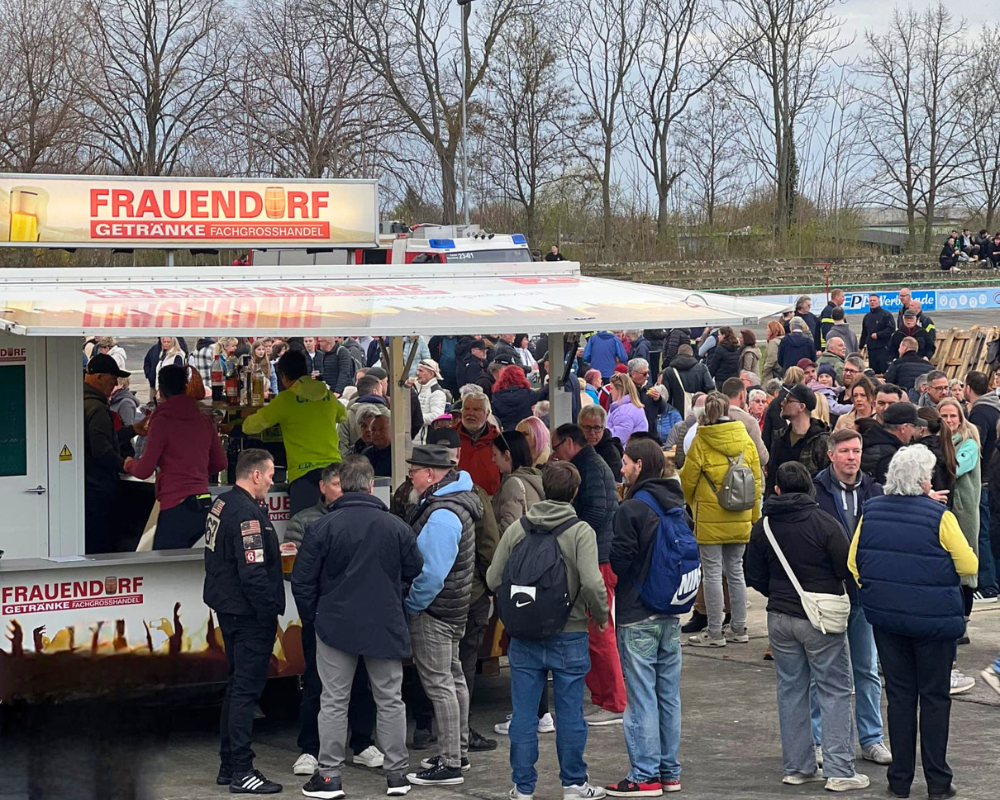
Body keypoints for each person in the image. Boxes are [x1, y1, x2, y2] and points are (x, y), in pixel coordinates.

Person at [849, 445, 978, 800]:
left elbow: (854, 563)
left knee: (900, 697)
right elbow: (969, 566)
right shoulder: (940, 516)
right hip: (934, 622)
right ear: (924, 480)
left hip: (888, 621)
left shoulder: (871, 511)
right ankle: (938, 781)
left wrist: (882, 589)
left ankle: (900, 779)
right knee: (934, 699)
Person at [291, 456, 423, 799]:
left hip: (335, 626)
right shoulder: (395, 526)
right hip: (385, 623)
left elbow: (302, 582)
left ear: (342, 485)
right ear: (369, 486)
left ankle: (330, 777)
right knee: (390, 700)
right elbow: (415, 567)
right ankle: (397, 775)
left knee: (333, 700)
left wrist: (314, 618)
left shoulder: (322, 527)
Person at [486, 461, 610, 800]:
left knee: (524, 716)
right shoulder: (580, 530)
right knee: (570, 713)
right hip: (569, 633)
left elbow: (493, 578)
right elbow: (592, 583)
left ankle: (523, 788)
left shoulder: (519, 529)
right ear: (574, 492)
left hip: (524, 634)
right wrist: (599, 616)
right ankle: (573, 784)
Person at [745, 462, 869, 792]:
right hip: (820, 618)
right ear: (810, 489)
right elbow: (847, 568)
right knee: (835, 689)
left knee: (791, 689)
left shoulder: (764, 526)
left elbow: (752, 574)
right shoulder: (824, 523)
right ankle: (840, 769)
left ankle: (797, 767)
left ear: (777, 491)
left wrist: (777, 592)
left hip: (780, 617)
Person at [606, 439, 687, 796]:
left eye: (625, 462)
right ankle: (669, 771)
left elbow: (620, 561)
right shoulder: (678, 504)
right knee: (668, 694)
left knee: (640, 697)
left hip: (637, 612)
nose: (621, 468)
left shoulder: (632, 508)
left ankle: (644, 775)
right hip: (670, 610)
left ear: (639, 466)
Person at [203, 449, 285, 794]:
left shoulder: (221, 504)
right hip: (249, 616)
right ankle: (242, 770)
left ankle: (228, 766)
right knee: (246, 693)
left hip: (229, 610)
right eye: (268, 475)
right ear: (254, 475)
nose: (271, 481)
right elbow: (252, 572)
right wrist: (268, 612)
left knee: (237, 688)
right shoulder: (247, 513)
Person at [811, 430, 890, 767]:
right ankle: (818, 741)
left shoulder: (874, 490)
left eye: (856, 450)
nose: (852, 457)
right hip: (828, 593)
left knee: (867, 669)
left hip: (863, 594)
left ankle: (871, 738)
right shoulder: (815, 491)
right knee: (822, 673)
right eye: (845, 451)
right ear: (831, 454)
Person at [404, 445, 481, 786]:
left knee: (440, 686)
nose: (410, 476)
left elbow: (432, 573)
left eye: (414, 471)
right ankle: (458, 752)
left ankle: (450, 762)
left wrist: (412, 605)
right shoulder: (455, 504)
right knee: (454, 679)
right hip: (453, 607)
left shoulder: (442, 513)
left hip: (435, 610)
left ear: (431, 475)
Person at [550, 424, 626, 726]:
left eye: (556, 447)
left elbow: (597, 514)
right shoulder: (591, 465)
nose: (554, 454)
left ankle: (615, 702)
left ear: (569, 443)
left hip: (599, 560)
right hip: (596, 557)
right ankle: (606, 699)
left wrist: (570, 537)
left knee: (600, 631)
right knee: (596, 631)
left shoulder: (591, 468)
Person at [680, 391, 761, 647]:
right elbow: (757, 481)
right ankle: (738, 627)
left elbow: (687, 481)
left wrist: (693, 505)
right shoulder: (746, 440)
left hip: (709, 516)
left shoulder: (701, 441)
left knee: (712, 573)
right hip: (740, 514)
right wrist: (754, 516)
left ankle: (714, 631)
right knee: (736, 571)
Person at [123, 365, 226, 549]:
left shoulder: (162, 421)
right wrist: (197, 471)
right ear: (185, 387)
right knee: (198, 565)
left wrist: (128, 463)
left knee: (165, 568)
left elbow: (144, 470)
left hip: (176, 505)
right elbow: (221, 462)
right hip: (203, 503)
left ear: (160, 392)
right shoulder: (203, 420)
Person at [242, 350, 347, 515]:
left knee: (304, 531)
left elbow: (250, 426)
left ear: (283, 375)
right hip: (335, 472)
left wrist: (244, 417)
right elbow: (343, 415)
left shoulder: (285, 400)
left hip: (304, 475)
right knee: (338, 527)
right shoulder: (327, 395)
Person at [83, 354, 144, 554]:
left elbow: (103, 439)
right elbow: (102, 450)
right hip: (97, 489)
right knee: (101, 546)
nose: (116, 383)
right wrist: (125, 464)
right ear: (99, 377)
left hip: (86, 487)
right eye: (113, 377)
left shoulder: (80, 402)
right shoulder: (97, 408)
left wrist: (133, 430)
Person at [938, 398, 982, 634]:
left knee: (966, 568)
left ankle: (963, 625)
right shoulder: (937, 442)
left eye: (953, 416)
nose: (948, 420)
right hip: (943, 512)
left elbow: (955, 468)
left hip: (963, 513)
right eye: (943, 416)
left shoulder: (969, 444)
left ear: (961, 417)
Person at [964, 371, 1000, 602]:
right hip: (993, 477)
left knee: (983, 533)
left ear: (968, 388)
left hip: (984, 480)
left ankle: (988, 585)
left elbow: (976, 445)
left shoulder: (979, 411)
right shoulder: (996, 407)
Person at [766, 384, 830, 497]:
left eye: (787, 400)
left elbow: (826, 480)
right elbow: (772, 476)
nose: (782, 403)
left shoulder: (821, 440)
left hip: (808, 506)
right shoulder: (780, 436)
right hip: (780, 505)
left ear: (801, 407)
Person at [492, 431, 546, 534]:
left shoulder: (513, 484)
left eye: (495, 454)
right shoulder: (534, 477)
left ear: (507, 455)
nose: (493, 459)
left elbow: (508, 529)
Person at [861, 402, 923, 484]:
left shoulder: (870, 440)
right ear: (903, 428)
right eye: (914, 426)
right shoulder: (891, 456)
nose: (914, 431)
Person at [454, 392, 501, 496]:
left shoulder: (498, 439)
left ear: (487, 413)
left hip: (489, 501)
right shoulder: (450, 436)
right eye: (467, 408)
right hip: (455, 499)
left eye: (476, 409)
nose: (470, 413)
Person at [719, 377, 769, 468]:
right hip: (743, 474)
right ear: (742, 395)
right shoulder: (750, 422)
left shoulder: (713, 417)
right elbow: (763, 458)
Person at [339, 373, 390, 458]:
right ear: (375, 392)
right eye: (381, 391)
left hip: (353, 467)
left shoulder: (346, 416)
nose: (369, 431)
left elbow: (341, 445)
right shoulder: (390, 416)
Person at [492, 364, 546, 432]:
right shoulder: (528, 394)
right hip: (526, 432)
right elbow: (543, 394)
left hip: (505, 434)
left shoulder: (496, 396)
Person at [579, 405, 624, 482]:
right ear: (580, 427)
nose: (592, 433)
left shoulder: (611, 453)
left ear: (603, 428)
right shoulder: (576, 447)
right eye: (587, 428)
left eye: (597, 428)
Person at [409, 359, 448, 443]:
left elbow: (437, 416)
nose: (417, 373)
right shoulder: (414, 387)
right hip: (411, 438)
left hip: (423, 442)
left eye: (421, 371)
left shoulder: (437, 392)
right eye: (417, 370)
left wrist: (414, 418)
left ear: (431, 374)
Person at [606, 373, 648, 447]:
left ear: (620, 390)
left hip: (626, 454)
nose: (610, 392)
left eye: (612, 388)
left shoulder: (624, 412)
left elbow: (618, 438)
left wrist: (602, 432)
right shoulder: (628, 407)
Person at [860, 294, 895, 374]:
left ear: (879, 302)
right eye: (870, 301)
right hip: (871, 351)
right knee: (873, 373)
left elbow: (891, 329)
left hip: (883, 349)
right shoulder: (867, 317)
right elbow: (864, 333)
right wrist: (860, 346)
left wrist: (879, 335)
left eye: (874, 300)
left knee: (885, 372)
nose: (872, 302)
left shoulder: (886, 315)